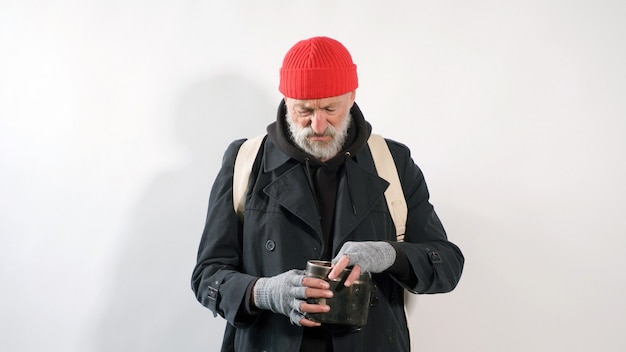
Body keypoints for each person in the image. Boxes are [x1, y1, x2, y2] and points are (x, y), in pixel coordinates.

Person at [191, 36, 464, 352]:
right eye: (303, 110)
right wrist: (262, 292)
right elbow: (207, 275)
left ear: (351, 97)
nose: (317, 124)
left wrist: (389, 254)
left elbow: (448, 264)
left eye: (330, 108)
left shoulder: (393, 161)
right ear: (286, 100)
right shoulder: (245, 161)